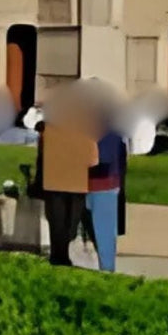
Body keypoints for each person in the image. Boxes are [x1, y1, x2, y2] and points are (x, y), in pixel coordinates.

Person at [37, 95, 98, 267]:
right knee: (70, 223)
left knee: (56, 221)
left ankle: (58, 256)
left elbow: (42, 154)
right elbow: (93, 159)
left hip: (54, 180)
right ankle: (62, 255)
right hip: (77, 182)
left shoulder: (49, 128)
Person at [86, 124, 127, 273]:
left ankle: (107, 270)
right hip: (102, 176)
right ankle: (107, 270)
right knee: (104, 231)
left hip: (101, 176)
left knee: (103, 231)